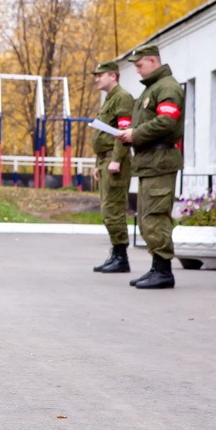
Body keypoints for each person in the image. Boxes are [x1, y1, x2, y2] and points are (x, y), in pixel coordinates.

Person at [118, 44, 184, 290]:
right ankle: (157, 267)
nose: (137, 71)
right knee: (146, 217)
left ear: (153, 61)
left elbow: (167, 122)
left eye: (139, 65)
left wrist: (135, 134)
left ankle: (164, 271)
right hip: (149, 163)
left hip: (160, 161)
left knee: (155, 216)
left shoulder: (167, 87)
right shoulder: (153, 88)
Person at [90, 60, 134, 274]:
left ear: (113, 75)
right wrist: (98, 163)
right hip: (105, 160)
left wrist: (116, 159)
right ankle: (116, 253)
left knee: (114, 209)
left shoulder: (123, 98)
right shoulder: (110, 99)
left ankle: (121, 256)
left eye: (101, 75)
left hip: (115, 161)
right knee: (107, 209)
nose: (97, 79)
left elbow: (124, 132)